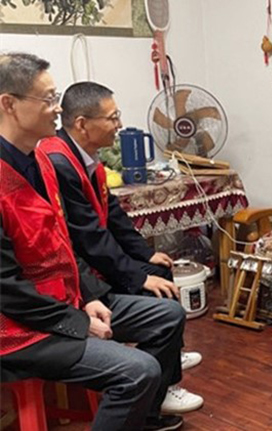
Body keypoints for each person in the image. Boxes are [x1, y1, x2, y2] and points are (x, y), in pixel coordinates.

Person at [0, 52, 185, 430]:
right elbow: (6, 289)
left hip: (65, 302)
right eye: (48, 99)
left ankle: (144, 419)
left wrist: (88, 297)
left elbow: (65, 246)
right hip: (19, 329)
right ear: (9, 104)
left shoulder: (42, 163)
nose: (58, 109)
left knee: (167, 315)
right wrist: (77, 321)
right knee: (138, 371)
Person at [36, 81, 203, 414]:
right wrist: (137, 277)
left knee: (159, 268)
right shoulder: (59, 162)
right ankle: (163, 385)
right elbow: (88, 237)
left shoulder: (88, 158)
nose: (119, 125)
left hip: (95, 258)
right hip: (81, 272)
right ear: (82, 124)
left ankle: (168, 357)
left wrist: (145, 253)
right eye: (112, 118)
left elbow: (113, 215)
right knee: (154, 287)